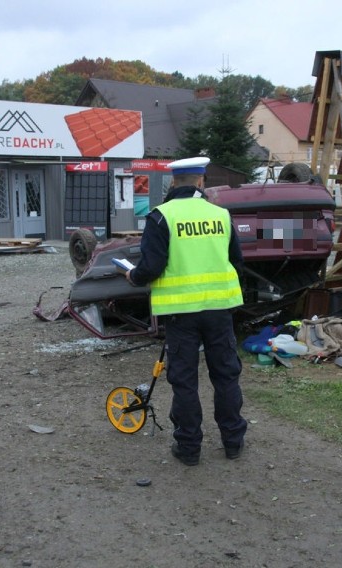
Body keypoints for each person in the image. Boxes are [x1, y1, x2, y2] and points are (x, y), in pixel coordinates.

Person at [125, 156, 247, 466]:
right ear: (201, 182)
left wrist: (132, 276)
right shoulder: (221, 215)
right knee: (226, 376)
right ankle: (233, 442)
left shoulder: (161, 217)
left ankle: (189, 448)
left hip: (181, 314)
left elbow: (151, 268)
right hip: (220, 310)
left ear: (173, 183)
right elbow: (237, 263)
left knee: (185, 381)